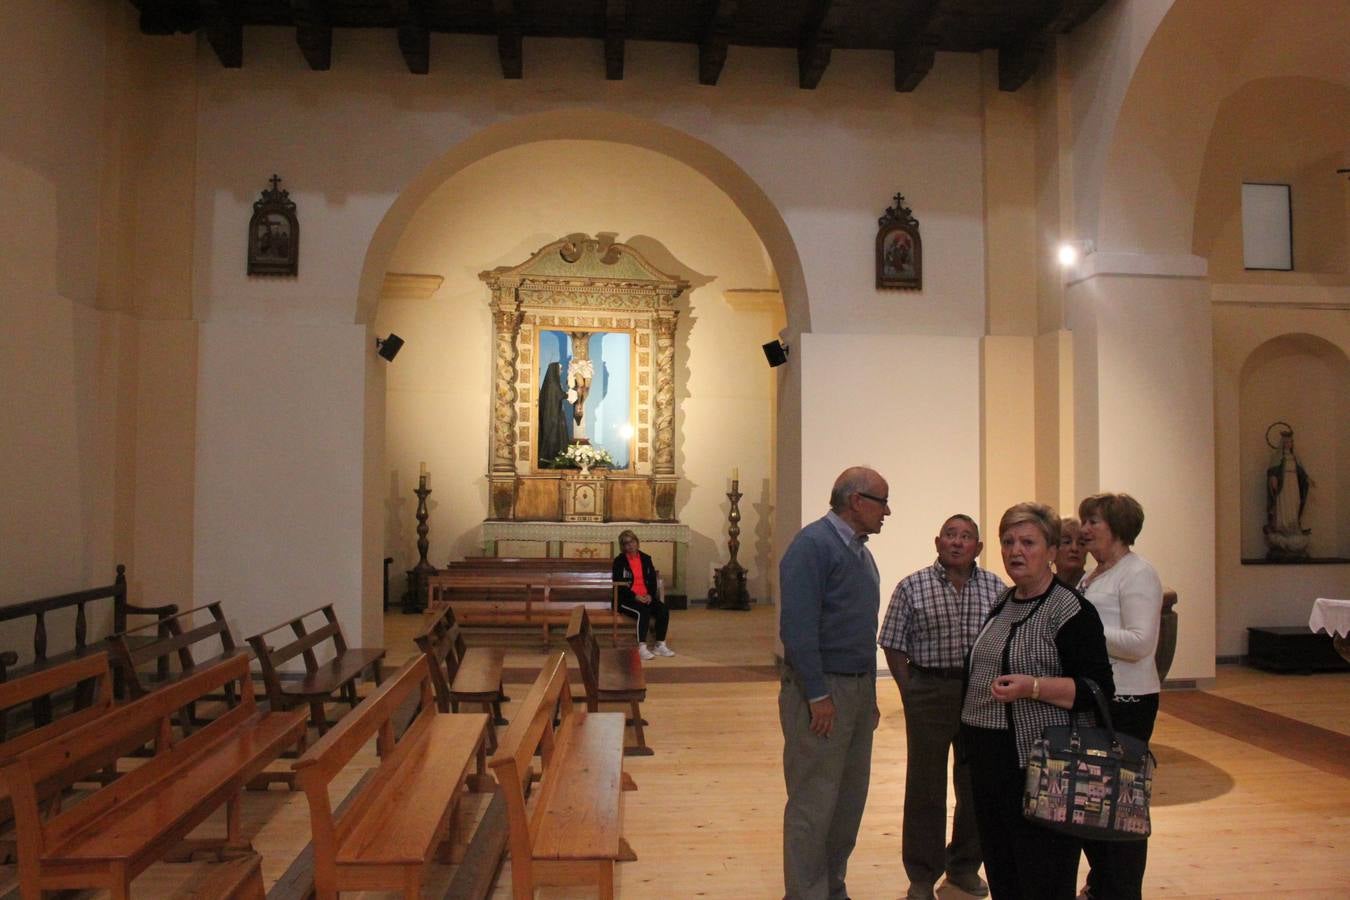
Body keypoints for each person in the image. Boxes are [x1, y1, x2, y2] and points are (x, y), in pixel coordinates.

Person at [959, 502, 1114, 900]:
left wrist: (1034, 687)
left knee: (1043, 876)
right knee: (1004, 871)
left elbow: (1097, 689)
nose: (1016, 551)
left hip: (1044, 769)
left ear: (1051, 551)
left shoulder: (1071, 610)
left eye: (1028, 542)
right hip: (992, 767)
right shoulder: (1003, 602)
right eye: (1008, 541)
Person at [879, 514, 1005, 900]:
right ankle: (921, 874)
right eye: (950, 535)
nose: (957, 542)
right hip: (930, 690)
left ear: (978, 548)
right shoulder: (912, 586)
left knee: (975, 784)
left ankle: (965, 866)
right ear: (937, 542)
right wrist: (908, 690)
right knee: (925, 786)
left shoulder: (996, 589)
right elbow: (893, 641)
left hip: (979, 694)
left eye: (966, 536)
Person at [779, 466, 889, 900]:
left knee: (847, 799)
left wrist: (871, 695)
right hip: (823, 691)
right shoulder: (813, 545)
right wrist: (817, 694)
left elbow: (861, 630)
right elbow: (798, 629)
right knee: (814, 799)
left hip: (857, 688)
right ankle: (806, 893)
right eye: (882, 501)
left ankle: (832, 886)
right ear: (857, 501)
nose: (887, 511)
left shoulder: (859, 550)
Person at [1075, 493, 1164, 900]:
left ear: (1118, 527)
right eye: (1084, 520)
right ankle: (1103, 884)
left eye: (1094, 521)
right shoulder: (1095, 574)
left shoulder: (1137, 573)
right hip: (1100, 697)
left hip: (1128, 701)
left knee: (1122, 807)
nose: (1085, 529)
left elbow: (1141, 642)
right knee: (1095, 803)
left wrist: (1084, 634)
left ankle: (1123, 890)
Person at [612, 529, 673, 660]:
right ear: (623, 546)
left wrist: (650, 595)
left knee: (663, 609)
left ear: (637, 542)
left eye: (632, 541)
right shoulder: (619, 561)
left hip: (646, 596)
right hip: (626, 599)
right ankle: (642, 647)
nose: (630, 545)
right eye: (626, 543)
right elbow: (619, 584)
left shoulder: (646, 558)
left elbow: (652, 581)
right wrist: (635, 596)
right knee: (643, 611)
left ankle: (660, 644)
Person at [538, 361, 569, 464]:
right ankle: (550, 458)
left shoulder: (553, 382)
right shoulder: (553, 383)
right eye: (560, 369)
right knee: (553, 436)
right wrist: (569, 394)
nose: (561, 371)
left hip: (555, 413)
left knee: (557, 435)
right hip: (553, 416)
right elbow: (560, 395)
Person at [1055, 517, 1090, 589]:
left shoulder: (1095, 586)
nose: (1074, 548)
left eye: (1081, 543)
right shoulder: (1041, 588)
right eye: (1067, 542)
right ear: (1052, 551)